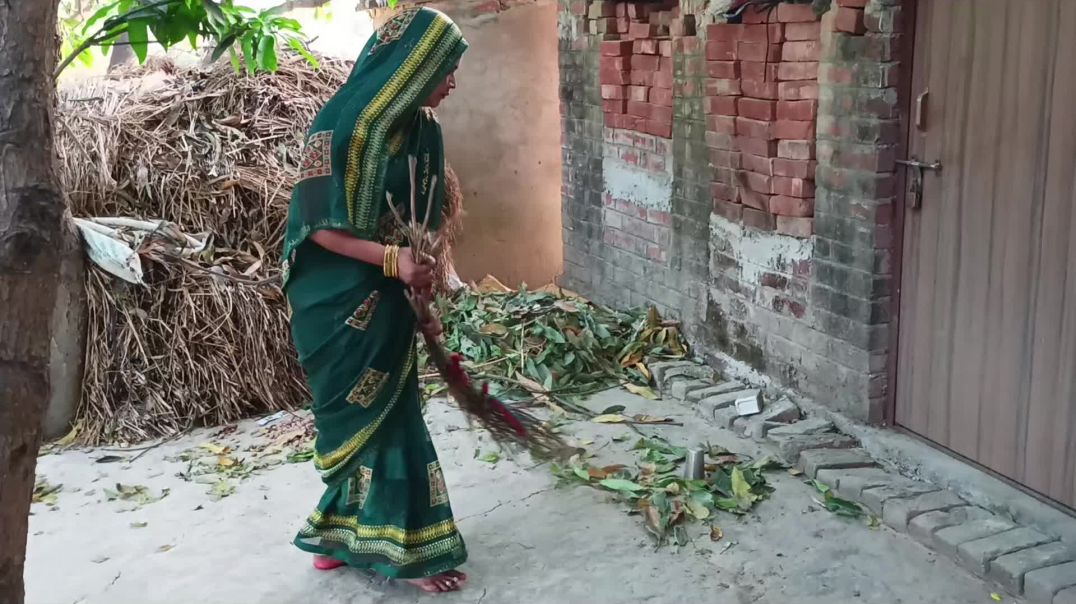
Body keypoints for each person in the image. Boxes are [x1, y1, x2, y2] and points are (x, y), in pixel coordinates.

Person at [281, 7, 469, 594]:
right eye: (446, 68)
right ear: (412, 69)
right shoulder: (337, 131)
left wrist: (423, 290)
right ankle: (399, 553)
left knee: (395, 416)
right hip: (334, 302)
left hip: (390, 300)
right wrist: (393, 262)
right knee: (359, 420)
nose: (453, 81)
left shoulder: (425, 132)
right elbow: (314, 226)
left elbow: (422, 222)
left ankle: (340, 539)